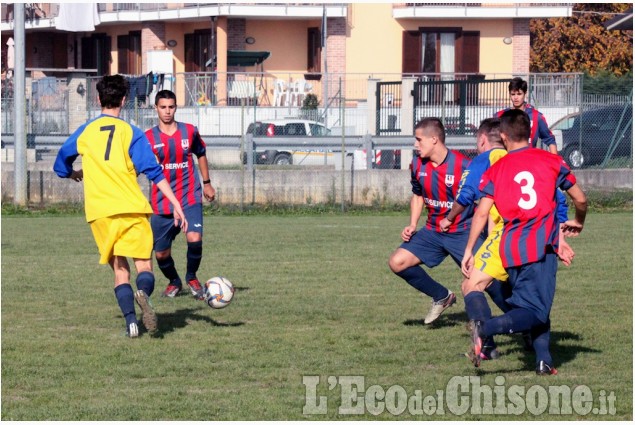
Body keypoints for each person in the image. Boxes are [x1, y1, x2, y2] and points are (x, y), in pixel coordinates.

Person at [54, 75, 188, 338]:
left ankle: (131, 323)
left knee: (119, 269)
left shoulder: (85, 131)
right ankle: (144, 294)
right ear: (124, 101)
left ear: (98, 99)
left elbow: (60, 164)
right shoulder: (132, 133)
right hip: (132, 208)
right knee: (144, 266)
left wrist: (73, 174)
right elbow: (154, 172)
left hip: (100, 212)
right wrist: (176, 205)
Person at [461, 109, 587, 375]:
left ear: (504, 136)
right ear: (530, 132)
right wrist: (579, 220)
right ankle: (485, 327)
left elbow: (481, 212)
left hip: (509, 247)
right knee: (537, 311)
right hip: (539, 247)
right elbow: (580, 199)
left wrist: (470, 249)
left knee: (533, 305)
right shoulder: (550, 160)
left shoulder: (497, 168)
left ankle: (544, 361)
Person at [388, 117, 483, 324]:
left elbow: (483, 200)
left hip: (463, 231)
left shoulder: (464, 165)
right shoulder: (416, 165)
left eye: (418, 139)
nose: (415, 144)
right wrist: (412, 224)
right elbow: (418, 195)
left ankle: (523, 320)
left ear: (434, 140)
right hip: (433, 231)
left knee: (486, 281)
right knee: (397, 262)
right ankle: (442, 296)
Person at [145, 90, 216, 300]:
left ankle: (192, 277)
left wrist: (207, 183)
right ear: (156, 108)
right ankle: (174, 281)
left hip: (189, 197)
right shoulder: (148, 138)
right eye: (163, 107)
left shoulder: (189, 131)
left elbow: (201, 153)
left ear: (176, 107)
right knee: (161, 254)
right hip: (162, 202)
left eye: (171, 106)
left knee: (194, 238)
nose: (167, 111)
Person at [496, 77, 558, 154]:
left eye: (519, 94)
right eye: (513, 94)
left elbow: (550, 140)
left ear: (525, 94)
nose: (516, 97)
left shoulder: (536, 116)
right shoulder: (500, 116)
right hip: (508, 161)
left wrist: (555, 162)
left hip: (528, 160)